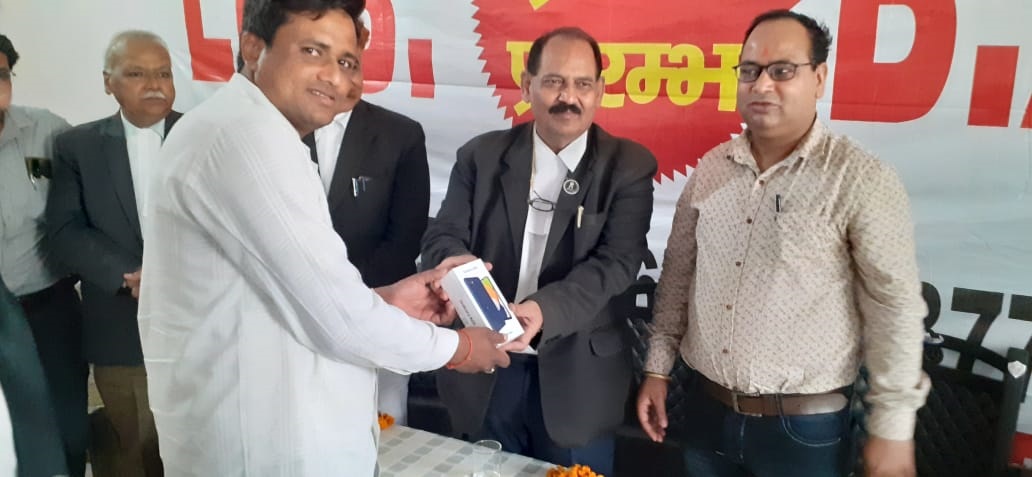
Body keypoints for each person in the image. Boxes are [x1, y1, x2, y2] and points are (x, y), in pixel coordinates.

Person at [137, 0, 509, 475]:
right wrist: (459, 348)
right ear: (253, 47)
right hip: (262, 448)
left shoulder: (253, 131)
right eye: (312, 51)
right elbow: (340, 318)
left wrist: (386, 299)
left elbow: (289, 295)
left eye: (347, 61)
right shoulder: (246, 138)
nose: (334, 76)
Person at [637, 10, 929, 477]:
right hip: (705, 412)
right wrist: (657, 370)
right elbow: (676, 278)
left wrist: (892, 429)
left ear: (819, 78)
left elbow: (893, 307)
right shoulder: (711, 169)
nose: (762, 85)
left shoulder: (859, 178)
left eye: (782, 70)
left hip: (804, 431)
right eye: (750, 71)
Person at [421, 26, 657, 475]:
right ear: (527, 85)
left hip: (579, 378)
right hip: (485, 363)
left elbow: (618, 263)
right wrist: (458, 270)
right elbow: (441, 236)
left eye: (582, 84)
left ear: (600, 91)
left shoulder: (628, 166)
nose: (568, 97)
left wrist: (543, 310)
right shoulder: (480, 156)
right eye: (554, 82)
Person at [47, 30, 181, 477]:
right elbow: (65, 231)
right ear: (109, 82)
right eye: (138, 74)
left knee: (199, 449)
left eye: (164, 74)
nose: (155, 85)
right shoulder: (77, 146)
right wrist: (129, 275)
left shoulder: (204, 135)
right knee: (131, 449)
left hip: (201, 329)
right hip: (121, 328)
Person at [302, 64, 431, 425]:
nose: (341, 77)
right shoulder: (280, 130)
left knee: (384, 429)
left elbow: (405, 238)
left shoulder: (400, 134)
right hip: (298, 313)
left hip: (378, 309)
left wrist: (345, 294)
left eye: (350, 64)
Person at [0, 32, 89, 477]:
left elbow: (90, 203)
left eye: (1, 75)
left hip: (48, 309)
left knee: (69, 428)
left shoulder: (47, 132)